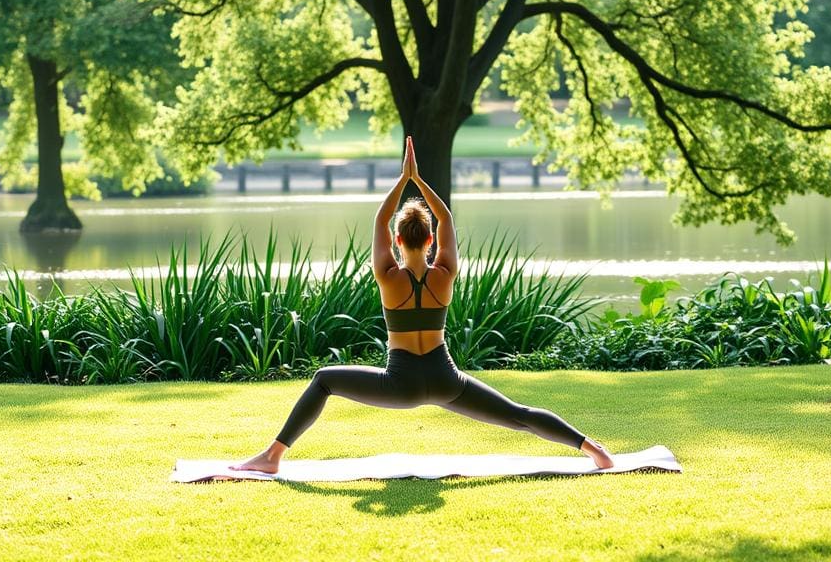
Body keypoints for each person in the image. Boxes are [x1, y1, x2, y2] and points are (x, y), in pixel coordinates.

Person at [230, 136, 614, 474]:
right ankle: (592, 448)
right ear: (431, 240)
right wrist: (419, 181)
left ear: (398, 239)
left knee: (324, 379)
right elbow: (445, 216)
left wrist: (402, 180)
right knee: (519, 415)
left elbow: (380, 219)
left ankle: (274, 455)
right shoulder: (444, 274)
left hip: (400, 384)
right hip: (447, 381)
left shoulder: (388, 276)